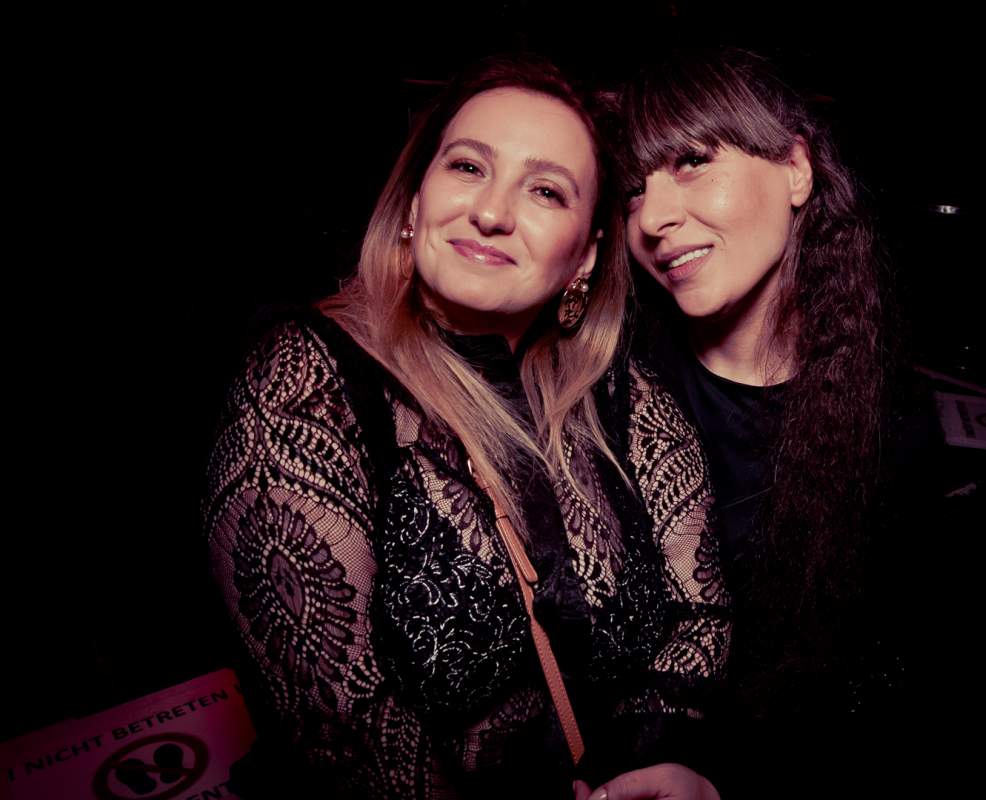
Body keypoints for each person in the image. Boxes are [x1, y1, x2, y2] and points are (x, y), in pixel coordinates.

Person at [203, 53, 730, 800]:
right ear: (415, 201)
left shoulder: (621, 391)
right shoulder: (306, 386)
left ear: (584, 256)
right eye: (468, 167)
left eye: (545, 190)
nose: (492, 212)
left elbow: (697, 611)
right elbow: (348, 735)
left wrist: (655, 760)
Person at [586, 47, 941, 798]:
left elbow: (888, 673)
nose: (652, 218)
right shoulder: (605, 390)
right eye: (631, 191)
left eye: (691, 160)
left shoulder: (889, 412)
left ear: (796, 170)